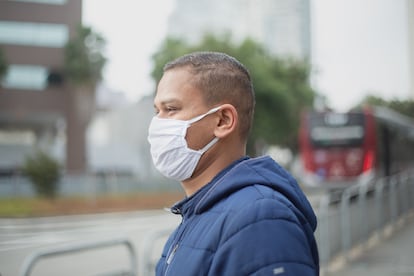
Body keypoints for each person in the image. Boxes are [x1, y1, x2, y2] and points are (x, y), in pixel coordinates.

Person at [147, 51, 319, 275]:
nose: (157, 124)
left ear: (223, 120)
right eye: (156, 111)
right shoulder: (198, 215)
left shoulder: (262, 220)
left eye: (171, 109)